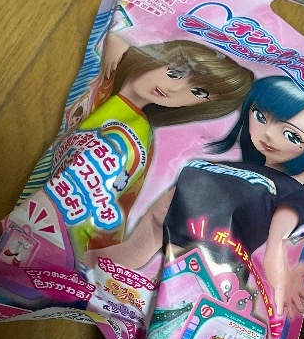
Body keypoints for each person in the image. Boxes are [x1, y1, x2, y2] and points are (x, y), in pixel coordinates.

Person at [94, 75, 304, 317]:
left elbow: (275, 246)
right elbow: (157, 219)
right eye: (260, 116)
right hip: (160, 269)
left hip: (209, 281)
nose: (268, 133)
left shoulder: (292, 192)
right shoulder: (221, 166)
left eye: (291, 135)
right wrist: (119, 254)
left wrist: (282, 283)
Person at [60, 37, 253, 260]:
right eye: (176, 71)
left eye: (198, 92)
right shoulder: (109, 74)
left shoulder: (137, 139)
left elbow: (110, 207)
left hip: (63, 230)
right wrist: (118, 45)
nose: (175, 88)